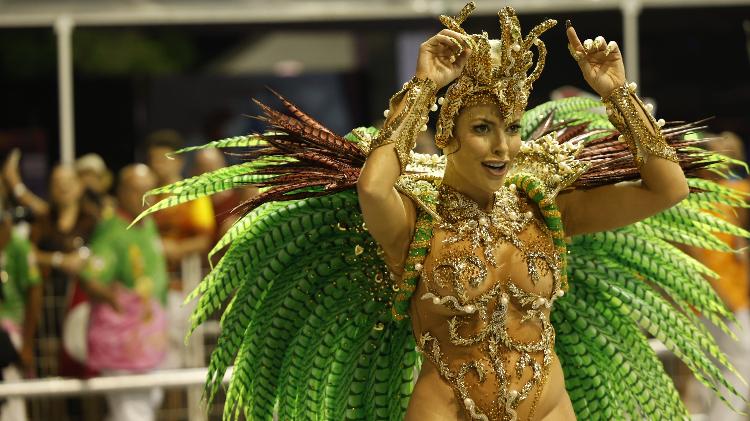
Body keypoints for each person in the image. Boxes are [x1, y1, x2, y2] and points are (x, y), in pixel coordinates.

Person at [139, 3, 744, 420]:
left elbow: (667, 190)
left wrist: (616, 94)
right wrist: (423, 87)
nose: (503, 146)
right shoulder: (415, 221)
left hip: (551, 407)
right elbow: (374, 187)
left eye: (508, 128)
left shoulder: (545, 208)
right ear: (448, 137)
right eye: (482, 130)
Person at [79, 164, 169, 421]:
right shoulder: (113, 229)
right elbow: (91, 277)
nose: (146, 197)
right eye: (137, 191)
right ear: (121, 192)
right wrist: (116, 300)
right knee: (132, 413)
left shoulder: (147, 224)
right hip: (124, 343)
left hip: (148, 340)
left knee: (146, 403)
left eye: (150, 190)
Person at [684, 132, 750, 419]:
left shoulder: (724, 193)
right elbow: (698, 256)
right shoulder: (697, 202)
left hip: (717, 298)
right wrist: (720, 296)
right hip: (720, 299)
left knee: (714, 370)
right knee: (738, 362)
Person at [0, 179, 42, 421]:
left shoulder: (18, 245)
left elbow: (34, 293)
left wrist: (26, 344)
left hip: (10, 335)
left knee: (13, 404)